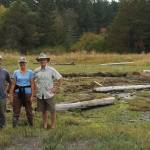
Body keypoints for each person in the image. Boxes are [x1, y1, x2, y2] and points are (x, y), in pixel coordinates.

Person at [34, 53, 63, 129]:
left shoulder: (51, 70)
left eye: (44, 60)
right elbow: (31, 80)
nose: (42, 61)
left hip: (49, 93)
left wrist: (56, 88)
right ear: (39, 61)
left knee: (52, 110)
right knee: (43, 110)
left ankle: (53, 125)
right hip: (40, 93)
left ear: (47, 61)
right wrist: (35, 87)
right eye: (41, 60)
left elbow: (60, 78)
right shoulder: (36, 70)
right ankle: (45, 125)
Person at [11, 57, 34, 128]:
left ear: (26, 63)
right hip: (17, 93)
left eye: (23, 63)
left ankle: (31, 125)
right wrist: (11, 95)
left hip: (27, 93)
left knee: (29, 109)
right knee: (16, 109)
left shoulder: (30, 72)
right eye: (21, 63)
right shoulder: (16, 72)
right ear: (19, 64)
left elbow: (32, 84)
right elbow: (13, 84)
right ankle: (14, 126)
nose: (22, 64)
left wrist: (32, 95)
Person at [0, 55, 12, 128]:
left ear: (1, 61)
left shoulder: (5, 72)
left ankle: (2, 126)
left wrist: (7, 91)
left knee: (2, 113)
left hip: (2, 96)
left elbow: (10, 82)